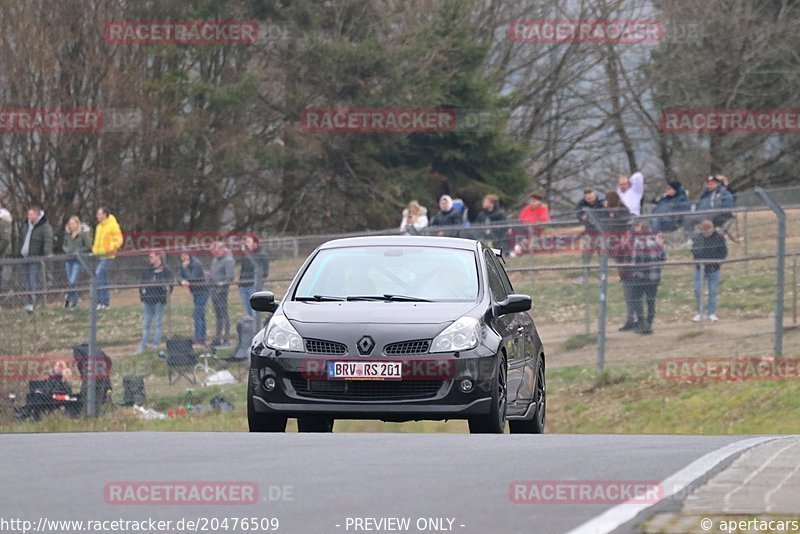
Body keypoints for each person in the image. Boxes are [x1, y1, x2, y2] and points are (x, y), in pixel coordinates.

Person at [630, 220, 666, 334]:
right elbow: (664, 257)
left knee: (635, 299)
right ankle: (649, 323)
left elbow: (635, 260)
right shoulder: (657, 242)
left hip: (641, 276)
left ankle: (642, 323)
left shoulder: (637, 242)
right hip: (654, 276)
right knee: (651, 301)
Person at [136, 250, 173, 354]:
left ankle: (155, 345)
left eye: (152, 257)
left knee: (158, 322)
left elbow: (170, 285)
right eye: (150, 257)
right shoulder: (147, 270)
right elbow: (142, 284)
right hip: (148, 300)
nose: (150, 259)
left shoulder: (166, 270)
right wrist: (143, 296)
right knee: (146, 323)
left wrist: (163, 291)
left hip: (159, 301)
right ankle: (143, 344)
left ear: (158, 257)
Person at [691, 219, 727, 322]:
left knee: (713, 291)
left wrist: (718, 262)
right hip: (700, 268)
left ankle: (711, 313)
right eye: (704, 229)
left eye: (708, 229)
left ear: (712, 228)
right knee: (698, 290)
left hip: (713, 269)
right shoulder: (697, 238)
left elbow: (723, 252)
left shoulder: (719, 238)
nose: (706, 232)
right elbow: (694, 251)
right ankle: (700, 312)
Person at [18, 206, 53, 312]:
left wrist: (47, 253)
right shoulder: (26, 226)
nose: (29, 217)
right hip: (25, 257)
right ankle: (29, 303)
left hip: (35, 258)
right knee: (26, 281)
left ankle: (35, 302)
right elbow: (21, 239)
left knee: (34, 281)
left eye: (31, 214)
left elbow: (48, 240)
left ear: (37, 215)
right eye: (28, 214)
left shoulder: (44, 227)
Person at [92, 207, 123, 310]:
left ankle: (102, 301)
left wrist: (110, 248)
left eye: (99, 214)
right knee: (102, 278)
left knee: (98, 274)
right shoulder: (98, 227)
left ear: (105, 214)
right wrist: (94, 251)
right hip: (99, 256)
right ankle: (104, 303)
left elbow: (119, 239)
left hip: (108, 256)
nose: (97, 216)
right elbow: (97, 241)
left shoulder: (113, 225)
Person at [178, 249, 209, 346]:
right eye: (181, 255)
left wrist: (185, 269)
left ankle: (198, 338)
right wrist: (182, 281)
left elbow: (192, 278)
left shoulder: (196, 264)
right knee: (200, 315)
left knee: (197, 314)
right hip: (195, 292)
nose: (182, 257)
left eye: (184, 255)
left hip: (203, 291)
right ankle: (202, 338)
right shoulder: (184, 264)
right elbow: (179, 276)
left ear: (188, 255)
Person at [62, 216, 93, 309]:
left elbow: (88, 246)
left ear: (77, 224)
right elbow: (64, 245)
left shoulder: (83, 234)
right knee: (71, 282)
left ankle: (68, 296)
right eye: (70, 224)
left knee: (72, 281)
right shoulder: (67, 234)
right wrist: (67, 250)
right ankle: (75, 302)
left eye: (73, 223)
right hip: (68, 260)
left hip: (78, 261)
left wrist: (78, 252)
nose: (71, 226)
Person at [576, 189, 606, 280]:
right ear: (585, 198)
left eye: (592, 197)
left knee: (602, 253)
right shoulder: (581, 204)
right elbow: (578, 215)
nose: (591, 200)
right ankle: (585, 273)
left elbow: (605, 213)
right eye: (588, 198)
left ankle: (603, 273)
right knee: (587, 253)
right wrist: (583, 217)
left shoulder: (601, 202)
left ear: (595, 195)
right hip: (589, 232)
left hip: (601, 231)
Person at [210, 241, 235, 347]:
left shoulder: (228, 260)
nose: (217, 251)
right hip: (213, 290)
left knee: (224, 315)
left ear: (223, 249)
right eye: (216, 249)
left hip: (222, 291)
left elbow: (230, 277)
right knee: (218, 316)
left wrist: (221, 285)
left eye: (219, 248)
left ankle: (226, 338)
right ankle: (217, 337)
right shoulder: (215, 260)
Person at [238, 235, 269, 319]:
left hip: (253, 286)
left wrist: (257, 283)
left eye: (249, 242)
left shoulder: (262, 255)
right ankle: (250, 329)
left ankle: (256, 329)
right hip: (243, 285)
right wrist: (240, 283)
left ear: (255, 243)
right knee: (248, 313)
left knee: (255, 312)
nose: (246, 244)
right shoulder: (246, 255)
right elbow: (242, 269)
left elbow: (265, 273)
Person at [0, 204, 12, 294]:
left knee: (4, 278)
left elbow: (5, 240)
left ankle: (4, 293)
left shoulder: (4, 222)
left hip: (3, 255)